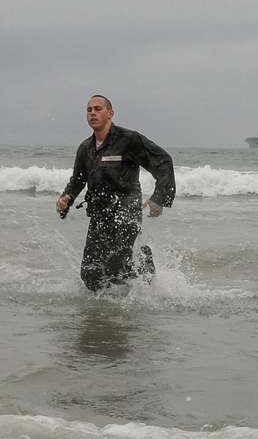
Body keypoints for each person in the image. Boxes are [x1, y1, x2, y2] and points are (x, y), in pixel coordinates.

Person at [56, 94, 176, 292]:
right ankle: (107, 314)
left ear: (110, 113)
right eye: (89, 110)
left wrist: (159, 199)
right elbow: (78, 180)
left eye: (98, 109)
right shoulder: (85, 148)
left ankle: (141, 271)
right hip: (99, 216)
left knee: (114, 267)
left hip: (126, 214)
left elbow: (163, 161)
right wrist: (66, 198)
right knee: (90, 274)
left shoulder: (129, 140)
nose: (93, 113)